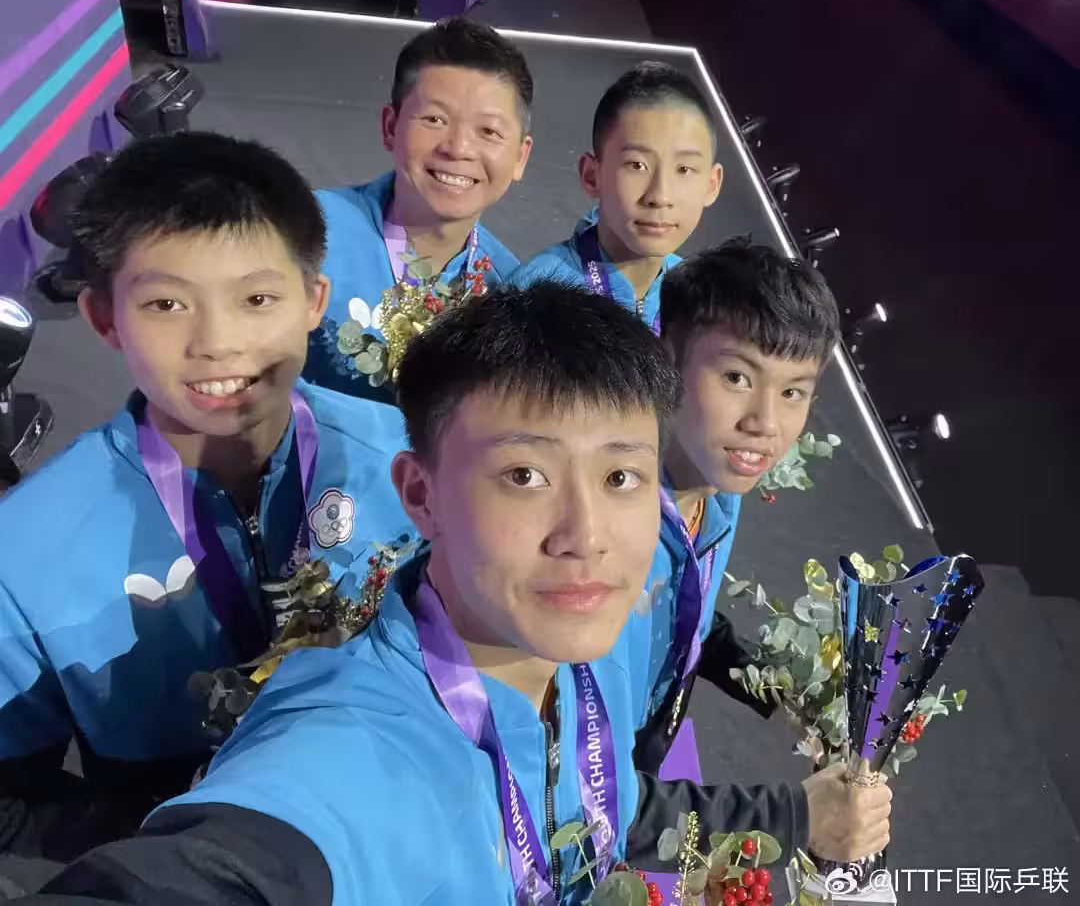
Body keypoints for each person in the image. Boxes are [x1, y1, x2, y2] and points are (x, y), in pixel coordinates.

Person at [25, 285, 890, 906]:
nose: (586, 533)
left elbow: (604, 811)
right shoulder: (353, 744)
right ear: (420, 493)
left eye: (621, 476)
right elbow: (229, 861)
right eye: (524, 475)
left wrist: (794, 817)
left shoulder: (583, 648)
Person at [0, 133, 412, 869]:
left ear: (314, 301)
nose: (217, 343)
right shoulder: (26, 551)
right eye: (166, 304)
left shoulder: (410, 465)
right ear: (104, 318)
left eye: (257, 298)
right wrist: (162, 846)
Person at [633, 241, 842, 775]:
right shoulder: (601, 533)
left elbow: (687, 622)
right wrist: (801, 814)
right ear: (666, 360)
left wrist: (780, 694)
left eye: (793, 393)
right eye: (737, 379)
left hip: (652, 746)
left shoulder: (718, 489)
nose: (764, 423)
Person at [303, 17, 534, 401]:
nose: (458, 148)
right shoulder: (306, 231)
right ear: (390, 127)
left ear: (520, 157)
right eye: (434, 120)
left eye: (489, 131)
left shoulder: (508, 293)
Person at [509, 62, 721, 331]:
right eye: (637, 165)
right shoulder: (531, 297)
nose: (660, 196)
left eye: (684, 169)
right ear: (591, 176)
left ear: (712, 185)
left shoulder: (702, 301)